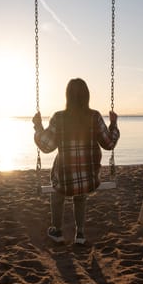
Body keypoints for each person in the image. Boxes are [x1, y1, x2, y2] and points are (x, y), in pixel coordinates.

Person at [32, 78, 120, 245]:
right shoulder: (94, 117)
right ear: (87, 96)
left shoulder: (59, 118)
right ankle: (80, 234)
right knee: (80, 195)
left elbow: (46, 146)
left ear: (67, 96)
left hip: (65, 177)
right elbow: (109, 143)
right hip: (89, 176)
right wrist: (113, 124)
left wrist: (38, 126)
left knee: (57, 194)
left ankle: (57, 231)